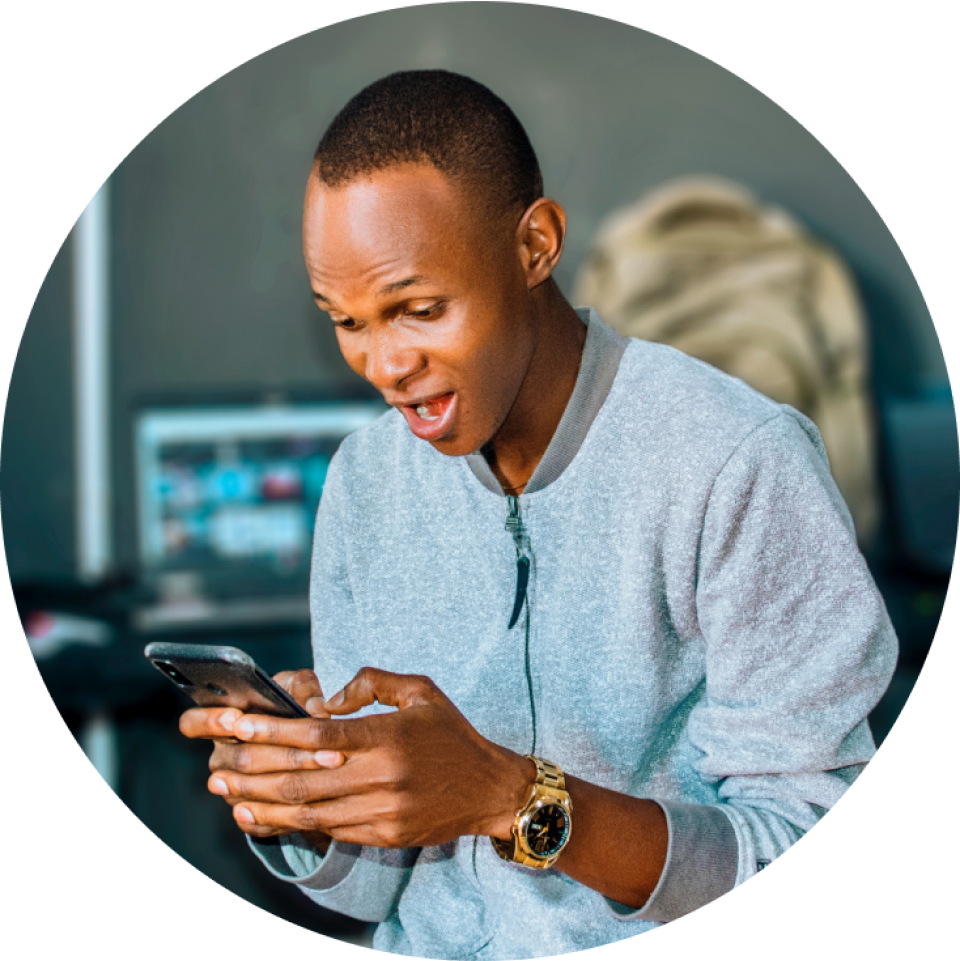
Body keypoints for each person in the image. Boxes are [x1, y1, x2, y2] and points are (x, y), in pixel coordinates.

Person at [179, 70, 898, 957]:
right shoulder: (366, 481)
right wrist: (312, 800)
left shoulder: (736, 461)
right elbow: (375, 891)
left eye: (419, 309)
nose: (383, 364)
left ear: (535, 246)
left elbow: (793, 832)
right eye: (347, 320)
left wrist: (514, 797)